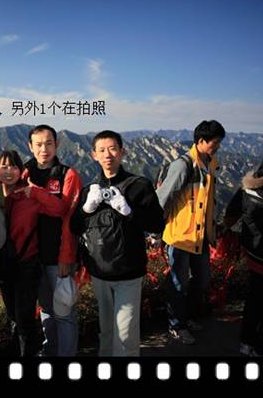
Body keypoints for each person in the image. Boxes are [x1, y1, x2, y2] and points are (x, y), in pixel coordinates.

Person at [70, 130, 164, 356]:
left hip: (129, 273)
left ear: (123, 152)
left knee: (125, 335)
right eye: (101, 150)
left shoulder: (139, 186)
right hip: (99, 272)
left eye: (112, 149)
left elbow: (157, 224)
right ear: (93, 155)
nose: (107, 155)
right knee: (106, 331)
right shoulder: (90, 191)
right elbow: (74, 227)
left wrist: (129, 211)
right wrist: (86, 209)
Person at [156, 120, 226, 344]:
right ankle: (176, 325)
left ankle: (189, 317)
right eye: (215, 142)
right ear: (201, 141)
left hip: (201, 236)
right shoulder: (183, 165)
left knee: (202, 280)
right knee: (178, 283)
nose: (218, 147)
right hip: (180, 237)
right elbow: (162, 199)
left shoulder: (210, 164)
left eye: (219, 142)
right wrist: (155, 231)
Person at [0, 150, 68, 356]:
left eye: (13, 167)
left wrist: (36, 192)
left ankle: (29, 352)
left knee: (24, 318)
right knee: (12, 316)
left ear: (21, 171)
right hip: (3, 266)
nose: (8, 171)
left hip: (26, 264)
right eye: (3, 167)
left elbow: (59, 209)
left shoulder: (29, 196)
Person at [224, 133, 263, 356]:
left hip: (256, 256)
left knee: (255, 299)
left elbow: (230, 215)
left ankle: (246, 343)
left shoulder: (250, 184)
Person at [22, 124, 83, 356]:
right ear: (30, 146)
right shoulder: (25, 173)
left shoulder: (68, 175)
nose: (44, 149)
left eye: (49, 143)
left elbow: (67, 214)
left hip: (58, 256)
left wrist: (67, 256)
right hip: (32, 256)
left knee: (64, 312)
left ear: (57, 144)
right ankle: (51, 352)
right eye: (38, 144)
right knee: (46, 309)